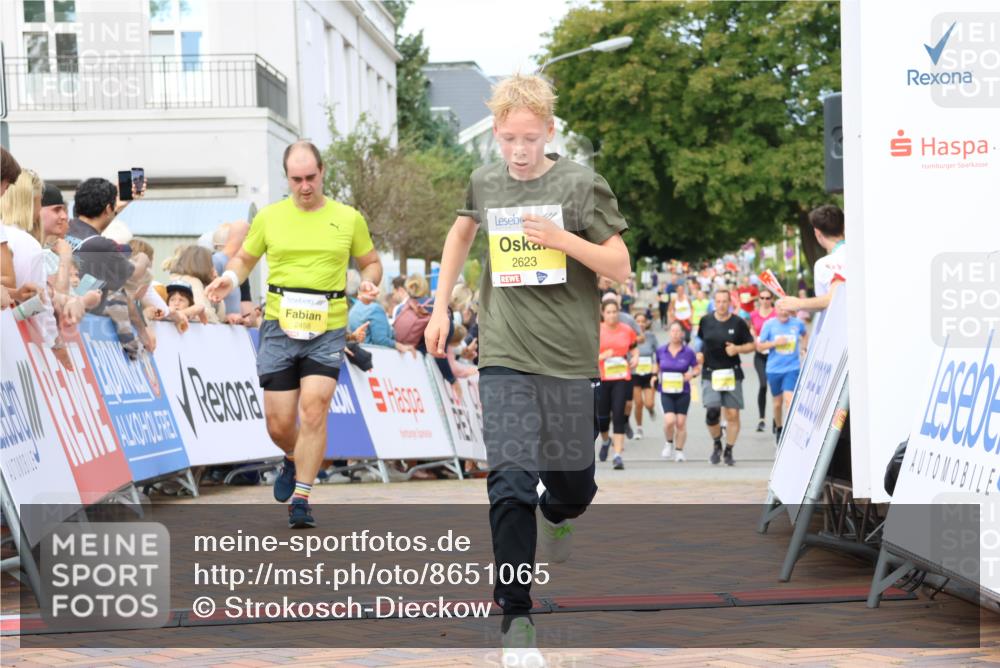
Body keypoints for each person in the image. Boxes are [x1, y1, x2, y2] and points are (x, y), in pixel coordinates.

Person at [422, 73, 629, 663]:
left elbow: (618, 264)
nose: (517, 151)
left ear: (549, 132)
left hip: (566, 358)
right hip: (505, 354)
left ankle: (557, 515)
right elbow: (460, 235)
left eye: (529, 139)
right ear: (496, 133)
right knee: (509, 480)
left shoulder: (582, 184)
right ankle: (517, 619)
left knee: (572, 487)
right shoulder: (485, 181)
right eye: (508, 138)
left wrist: (564, 240)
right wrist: (440, 307)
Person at [205, 140, 382, 529]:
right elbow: (246, 258)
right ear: (287, 178)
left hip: (328, 324)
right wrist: (229, 278)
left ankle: (302, 496)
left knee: (314, 408)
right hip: (280, 326)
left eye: (311, 178)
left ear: (322, 174)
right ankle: (292, 456)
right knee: (279, 423)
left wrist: (369, 284)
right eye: (296, 179)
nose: (304, 186)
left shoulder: (348, 217)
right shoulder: (270, 217)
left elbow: (370, 262)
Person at [696, 289, 755, 466]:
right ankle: (716, 444)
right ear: (714, 302)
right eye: (718, 301)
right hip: (710, 371)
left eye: (724, 301)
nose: (721, 305)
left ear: (730, 303)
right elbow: (699, 341)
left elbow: (752, 345)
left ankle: (728, 450)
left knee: (732, 414)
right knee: (712, 411)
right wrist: (698, 354)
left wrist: (737, 349)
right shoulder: (706, 321)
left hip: (731, 372)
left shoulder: (738, 323)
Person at [777, 205, 845, 315]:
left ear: (817, 233)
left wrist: (799, 304)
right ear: (843, 227)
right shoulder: (862, 254)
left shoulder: (824, 264)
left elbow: (828, 301)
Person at [757, 305, 809, 444]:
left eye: (786, 309)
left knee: (789, 400)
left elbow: (805, 334)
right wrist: (775, 343)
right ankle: (779, 427)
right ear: (776, 310)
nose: (784, 312)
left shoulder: (797, 323)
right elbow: (760, 346)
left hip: (792, 368)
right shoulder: (769, 325)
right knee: (777, 404)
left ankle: (790, 432)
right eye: (781, 309)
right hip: (774, 369)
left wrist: (804, 348)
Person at [596, 299, 638, 469]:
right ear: (603, 314)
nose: (612, 315)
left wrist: (635, 357)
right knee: (602, 420)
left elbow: (634, 348)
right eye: (609, 312)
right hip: (602, 379)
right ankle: (606, 441)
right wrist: (601, 356)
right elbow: (586, 355)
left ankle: (618, 455)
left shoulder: (627, 330)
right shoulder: (596, 330)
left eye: (615, 312)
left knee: (619, 414)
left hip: (621, 377)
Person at [654, 321, 700, 461]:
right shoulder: (661, 350)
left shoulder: (688, 352)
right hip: (666, 391)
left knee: (680, 422)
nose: (675, 334)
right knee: (669, 420)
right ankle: (668, 443)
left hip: (683, 392)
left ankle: (679, 451)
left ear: (682, 334)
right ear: (669, 333)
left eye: (678, 331)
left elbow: (697, 368)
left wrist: (691, 374)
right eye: (672, 331)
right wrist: (653, 376)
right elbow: (656, 366)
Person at [164, 245, 225, 324]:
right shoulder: (192, 281)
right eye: (210, 263)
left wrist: (215, 285)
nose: (212, 267)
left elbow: (221, 316)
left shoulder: (198, 282)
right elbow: (208, 315)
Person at [749, 288, 777, 433]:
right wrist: (753, 337)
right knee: (763, 385)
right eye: (762, 298)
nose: (765, 301)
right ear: (758, 299)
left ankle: (775, 419)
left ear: (771, 299)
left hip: (774, 355)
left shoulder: (776, 313)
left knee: (774, 388)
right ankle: (761, 419)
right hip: (759, 355)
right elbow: (752, 330)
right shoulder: (753, 314)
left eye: (768, 298)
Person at [631, 311, 657, 439]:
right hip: (635, 374)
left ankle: (651, 409)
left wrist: (656, 371)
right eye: (638, 321)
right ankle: (639, 428)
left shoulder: (651, 336)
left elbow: (658, 354)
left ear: (646, 323)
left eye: (643, 321)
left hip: (648, 374)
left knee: (649, 403)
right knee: (638, 403)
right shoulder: (630, 336)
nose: (640, 324)